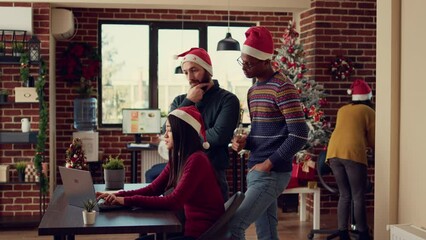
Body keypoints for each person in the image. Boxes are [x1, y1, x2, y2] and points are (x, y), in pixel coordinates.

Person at [97, 105, 225, 240]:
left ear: (182, 132)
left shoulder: (197, 160)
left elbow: (173, 201)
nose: (165, 135)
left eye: (169, 130)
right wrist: (116, 195)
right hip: (187, 231)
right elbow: (154, 188)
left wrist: (124, 200)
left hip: (201, 236)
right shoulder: (179, 159)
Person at [229, 26, 309, 240]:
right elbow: (262, 131)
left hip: (271, 172)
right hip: (256, 169)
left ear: (266, 61)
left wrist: (269, 164)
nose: (244, 68)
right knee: (267, 233)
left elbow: (300, 134)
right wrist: (245, 143)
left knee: (233, 226)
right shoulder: (253, 90)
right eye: (242, 62)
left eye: (249, 63)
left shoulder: (283, 87)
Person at [169, 47, 240, 201]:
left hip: (213, 172)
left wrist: (182, 139)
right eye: (186, 72)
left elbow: (219, 136)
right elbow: (169, 132)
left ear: (208, 70)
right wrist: (189, 101)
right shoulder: (180, 101)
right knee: (180, 223)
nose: (190, 77)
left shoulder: (228, 100)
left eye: (194, 70)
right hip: (182, 171)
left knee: (215, 224)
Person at [326, 79, 375, 240]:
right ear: (368, 97)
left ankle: (343, 233)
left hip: (333, 153)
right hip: (352, 153)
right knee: (358, 195)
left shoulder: (343, 109)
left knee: (344, 195)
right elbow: (374, 139)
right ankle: (363, 234)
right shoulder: (368, 111)